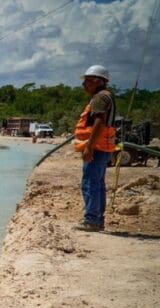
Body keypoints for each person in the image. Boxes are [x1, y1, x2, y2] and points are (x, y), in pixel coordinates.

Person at [73, 65, 116, 232]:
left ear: (98, 81)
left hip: (97, 147)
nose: (84, 85)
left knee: (90, 183)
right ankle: (97, 219)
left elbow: (99, 122)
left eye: (88, 81)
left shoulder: (100, 98)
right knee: (97, 184)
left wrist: (89, 146)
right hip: (102, 147)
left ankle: (91, 220)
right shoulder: (106, 96)